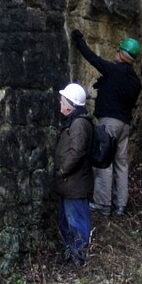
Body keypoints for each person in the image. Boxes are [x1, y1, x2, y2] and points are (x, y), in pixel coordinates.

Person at [70, 31, 142, 216]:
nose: (115, 54)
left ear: (123, 54)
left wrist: (79, 41)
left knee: (104, 162)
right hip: (124, 125)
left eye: (118, 51)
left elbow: (93, 59)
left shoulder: (114, 70)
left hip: (108, 122)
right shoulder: (135, 81)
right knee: (121, 164)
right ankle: (120, 205)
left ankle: (103, 203)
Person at [53, 83, 96, 264]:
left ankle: (79, 258)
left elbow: (77, 152)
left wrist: (63, 170)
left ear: (71, 104)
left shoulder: (79, 123)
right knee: (67, 220)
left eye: (63, 102)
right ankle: (72, 254)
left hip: (74, 183)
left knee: (77, 221)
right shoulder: (76, 121)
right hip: (70, 184)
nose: (60, 105)